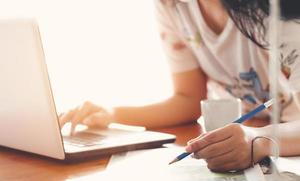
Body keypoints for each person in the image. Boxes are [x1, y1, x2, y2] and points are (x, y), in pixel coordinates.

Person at [59, 0, 300, 172]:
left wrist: (258, 140)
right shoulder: (171, 4)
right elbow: (188, 98)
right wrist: (113, 114)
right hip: (245, 136)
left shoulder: (280, 11)